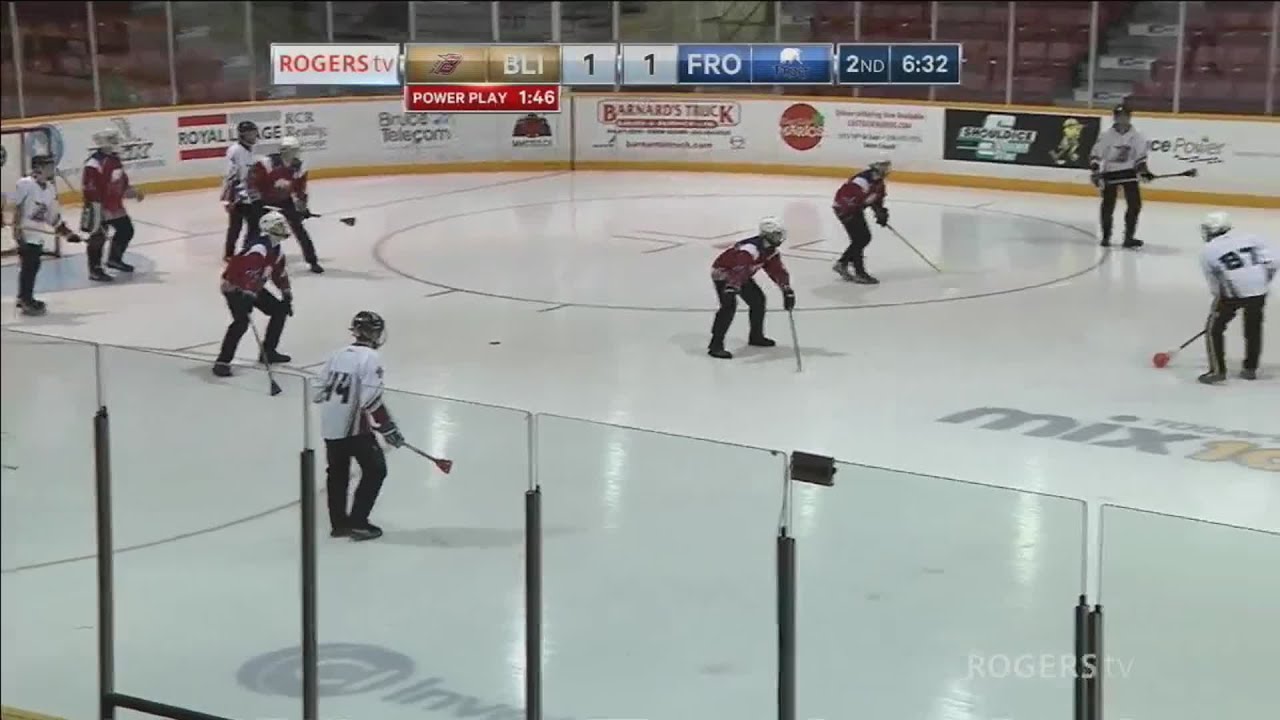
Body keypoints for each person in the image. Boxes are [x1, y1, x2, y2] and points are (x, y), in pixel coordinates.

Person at [313, 311, 405, 541]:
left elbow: (317, 390)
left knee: (337, 473)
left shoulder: (337, 354)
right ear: (377, 333)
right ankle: (358, 522)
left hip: (330, 424)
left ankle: (339, 524)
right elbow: (370, 399)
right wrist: (388, 427)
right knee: (376, 470)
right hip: (352, 427)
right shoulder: (371, 358)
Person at [212, 210, 294, 377]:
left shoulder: (276, 250)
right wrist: (247, 296)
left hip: (252, 288)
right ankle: (222, 361)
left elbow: (278, 273)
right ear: (269, 228)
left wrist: (286, 293)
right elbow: (249, 272)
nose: (284, 228)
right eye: (279, 225)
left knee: (279, 310)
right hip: (234, 288)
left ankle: (269, 351)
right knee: (241, 323)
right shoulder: (258, 248)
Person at [1197, 212, 1274, 385]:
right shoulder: (1251, 238)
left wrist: (1220, 303)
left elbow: (1214, 283)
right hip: (1259, 290)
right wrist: (1261, 283)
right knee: (1253, 328)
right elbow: (1273, 263)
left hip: (1233, 293)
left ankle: (1217, 371)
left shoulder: (1207, 251)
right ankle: (1250, 369)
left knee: (1213, 329)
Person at [708, 216, 796, 359]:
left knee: (758, 300)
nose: (780, 238)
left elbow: (777, 271)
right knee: (728, 307)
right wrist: (731, 287)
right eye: (776, 235)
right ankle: (715, 345)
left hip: (741, 275)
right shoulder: (750, 249)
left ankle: (756, 336)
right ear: (767, 234)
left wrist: (786, 289)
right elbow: (739, 268)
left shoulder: (770, 250)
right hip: (723, 273)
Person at [10, 155, 82, 315]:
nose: (51, 169)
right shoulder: (25, 184)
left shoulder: (49, 189)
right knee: (29, 265)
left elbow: (52, 216)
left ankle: (25, 297)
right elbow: (17, 208)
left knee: (33, 266)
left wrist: (67, 233)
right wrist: (17, 233)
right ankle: (25, 299)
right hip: (25, 231)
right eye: (48, 165)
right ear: (38, 168)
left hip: (37, 233)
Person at [250, 135, 323, 273]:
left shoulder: (298, 167)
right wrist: (257, 200)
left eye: (296, 150)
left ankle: (312, 261)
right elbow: (253, 182)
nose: (295, 154)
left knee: (299, 230)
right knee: (261, 232)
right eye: (292, 150)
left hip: (284, 201)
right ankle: (254, 260)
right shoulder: (267, 163)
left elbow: (300, 188)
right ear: (284, 150)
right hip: (264, 202)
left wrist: (302, 207)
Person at [81, 127, 144, 282]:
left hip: (115, 206)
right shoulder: (93, 164)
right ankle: (94, 269)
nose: (117, 142)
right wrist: (98, 208)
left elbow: (121, 181)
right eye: (113, 140)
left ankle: (114, 259)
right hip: (98, 207)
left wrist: (132, 191)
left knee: (126, 230)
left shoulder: (115, 160)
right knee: (97, 238)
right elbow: (89, 188)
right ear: (104, 143)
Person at [1089, 104, 1154, 249]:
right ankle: (1106, 236)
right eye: (1119, 116)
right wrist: (1095, 172)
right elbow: (1096, 155)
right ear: (1115, 117)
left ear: (1129, 117)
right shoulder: (1106, 136)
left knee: (1135, 205)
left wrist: (1143, 171)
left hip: (1129, 173)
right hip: (1110, 173)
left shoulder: (1137, 136)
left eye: (1125, 116)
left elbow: (1140, 158)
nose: (1122, 119)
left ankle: (1128, 238)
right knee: (1108, 205)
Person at [832, 159, 891, 284]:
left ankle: (842, 263)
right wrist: (850, 211)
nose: (887, 169)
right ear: (876, 166)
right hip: (845, 210)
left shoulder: (879, 182)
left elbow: (877, 199)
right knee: (861, 238)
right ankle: (859, 272)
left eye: (887, 166)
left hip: (855, 210)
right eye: (884, 165)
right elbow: (847, 198)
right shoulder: (861, 180)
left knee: (862, 238)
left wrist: (880, 212)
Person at [222, 120, 262, 261]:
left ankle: (247, 249)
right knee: (236, 227)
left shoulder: (250, 150)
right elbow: (230, 175)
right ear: (242, 135)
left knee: (254, 225)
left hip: (249, 195)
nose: (253, 136)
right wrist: (229, 199)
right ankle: (229, 254)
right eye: (250, 133)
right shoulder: (235, 151)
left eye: (254, 132)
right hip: (238, 196)